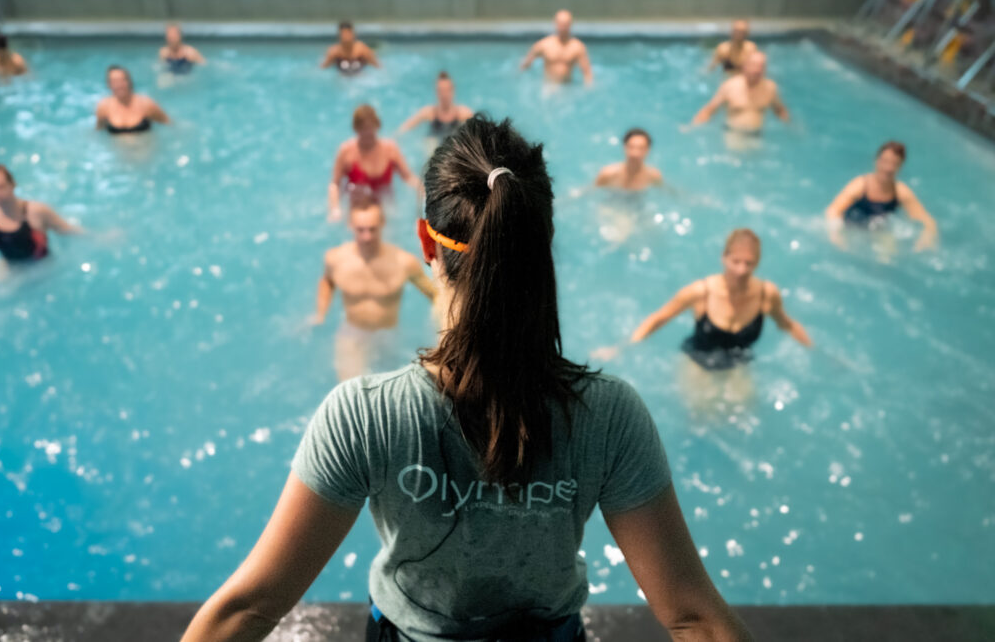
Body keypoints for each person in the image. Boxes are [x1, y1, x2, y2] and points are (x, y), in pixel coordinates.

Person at [181, 115, 752, 642]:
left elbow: (247, 609)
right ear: (542, 242)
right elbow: (692, 615)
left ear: (427, 243)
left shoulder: (366, 415)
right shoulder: (608, 414)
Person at [593, 229, 811, 371]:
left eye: (749, 263)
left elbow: (787, 324)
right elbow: (659, 318)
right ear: (724, 258)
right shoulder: (700, 292)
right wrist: (619, 348)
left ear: (757, 263)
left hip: (738, 364)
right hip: (697, 362)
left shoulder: (767, 294)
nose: (741, 270)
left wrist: (817, 352)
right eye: (736, 261)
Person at [310, 195, 436, 381]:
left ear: (382, 224)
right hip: (353, 334)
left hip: (388, 335)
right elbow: (327, 282)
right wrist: (320, 314)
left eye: (372, 229)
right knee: (350, 393)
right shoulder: (335, 259)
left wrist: (440, 321)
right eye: (360, 230)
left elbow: (435, 294)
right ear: (350, 225)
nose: (367, 237)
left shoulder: (404, 262)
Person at [825, 141, 938, 252]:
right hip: (850, 227)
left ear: (900, 166)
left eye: (894, 164)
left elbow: (926, 220)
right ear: (877, 161)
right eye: (885, 161)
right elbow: (833, 210)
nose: (888, 168)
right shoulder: (860, 185)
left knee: (889, 248)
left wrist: (928, 235)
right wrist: (835, 234)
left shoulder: (900, 191)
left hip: (877, 230)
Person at [328, 105, 419, 223]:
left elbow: (408, 177)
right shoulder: (346, 151)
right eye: (363, 130)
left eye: (370, 129)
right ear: (356, 129)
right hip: (357, 208)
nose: (367, 134)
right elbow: (335, 184)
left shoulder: (390, 149)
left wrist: (425, 191)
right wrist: (335, 209)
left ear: (377, 126)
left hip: (384, 207)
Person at [0, 164, 81, 261]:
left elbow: (66, 229)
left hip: (39, 266)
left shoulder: (36, 211)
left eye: (1, 187)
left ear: (13, 184)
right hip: (9, 264)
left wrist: (93, 237)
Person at [690, 52, 787, 139]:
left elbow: (779, 110)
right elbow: (709, 110)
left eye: (762, 66)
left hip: (757, 135)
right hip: (733, 134)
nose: (758, 70)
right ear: (745, 66)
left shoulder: (770, 88)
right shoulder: (730, 86)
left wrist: (791, 127)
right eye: (754, 65)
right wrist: (691, 127)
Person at [520, 10, 593, 85]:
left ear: (570, 25)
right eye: (561, 24)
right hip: (548, 86)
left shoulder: (577, 47)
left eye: (566, 24)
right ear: (555, 24)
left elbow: (587, 72)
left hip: (567, 86)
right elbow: (525, 64)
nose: (563, 28)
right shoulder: (544, 45)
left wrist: (588, 87)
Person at [398, 71, 475, 141]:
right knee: (430, 141)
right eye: (441, 90)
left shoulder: (464, 113)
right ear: (436, 92)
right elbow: (405, 128)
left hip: (454, 142)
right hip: (434, 141)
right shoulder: (428, 112)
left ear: (453, 90)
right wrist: (396, 137)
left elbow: (479, 132)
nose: (444, 95)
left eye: (447, 90)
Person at [95, 66, 170, 134]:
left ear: (129, 82)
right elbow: (98, 131)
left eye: (122, 80)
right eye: (114, 81)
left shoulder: (146, 104)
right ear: (109, 85)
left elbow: (168, 123)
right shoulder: (104, 107)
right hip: (116, 148)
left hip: (145, 147)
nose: (119, 85)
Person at [594, 128, 664, 191]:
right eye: (631, 147)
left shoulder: (653, 176)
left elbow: (664, 192)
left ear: (648, 150)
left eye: (641, 148)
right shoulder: (608, 173)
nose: (635, 153)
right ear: (624, 147)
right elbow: (591, 191)